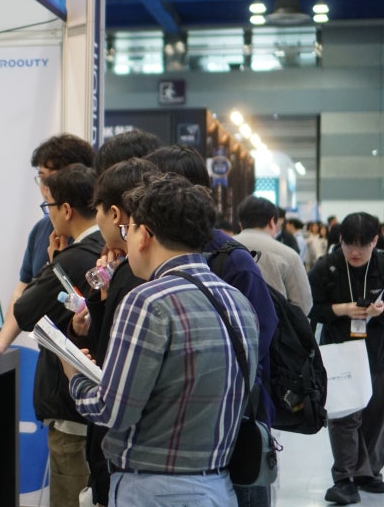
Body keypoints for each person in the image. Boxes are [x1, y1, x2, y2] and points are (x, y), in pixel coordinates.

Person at [64, 172, 260, 506]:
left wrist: (75, 375)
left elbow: (113, 411)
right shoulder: (237, 301)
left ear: (144, 234)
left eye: (128, 230)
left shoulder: (147, 301)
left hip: (152, 489)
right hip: (218, 485)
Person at [145, 145, 277, 507]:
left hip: (232, 434)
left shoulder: (232, 260)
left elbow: (259, 341)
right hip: (172, 443)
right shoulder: (151, 258)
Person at [12, 163, 105, 507]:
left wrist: (53, 264)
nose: (47, 214)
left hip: (71, 406)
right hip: (95, 407)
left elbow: (24, 311)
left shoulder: (76, 257)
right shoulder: (104, 251)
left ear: (66, 209)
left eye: (48, 205)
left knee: (70, 494)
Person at [82, 157, 159, 506]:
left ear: (114, 213)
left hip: (123, 451)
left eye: (96, 211)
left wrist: (74, 373)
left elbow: (110, 362)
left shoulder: (133, 275)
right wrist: (102, 298)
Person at [0, 133, 93, 359]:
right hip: (48, 355)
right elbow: (23, 290)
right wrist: (2, 341)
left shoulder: (97, 241)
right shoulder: (41, 229)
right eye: (41, 177)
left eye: (54, 178)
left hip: (84, 357)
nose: (46, 188)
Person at [308, 212, 384, 505]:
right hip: (338, 351)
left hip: (377, 351)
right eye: (349, 244)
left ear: (374, 241)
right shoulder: (326, 268)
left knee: (375, 414)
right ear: (340, 240)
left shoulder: (382, 265)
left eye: (363, 245)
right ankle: (343, 478)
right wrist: (341, 310)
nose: (355, 252)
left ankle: (366, 472)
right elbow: (310, 307)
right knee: (343, 415)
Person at [234, 196, 313, 314]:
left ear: (240, 224)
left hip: (229, 322)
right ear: (272, 222)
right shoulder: (288, 255)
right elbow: (304, 304)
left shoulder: (222, 248)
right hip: (275, 322)